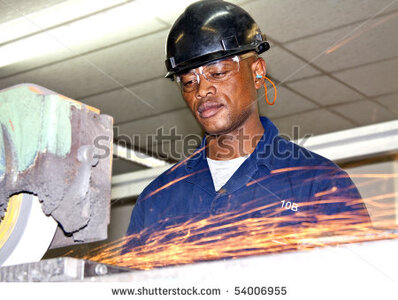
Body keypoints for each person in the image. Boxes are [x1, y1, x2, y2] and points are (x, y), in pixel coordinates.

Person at [125, 0, 370, 250]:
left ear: (257, 72)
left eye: (217, 73)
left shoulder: (320, 183)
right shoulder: (156, 199)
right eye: (188, 81)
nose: (201, 90)